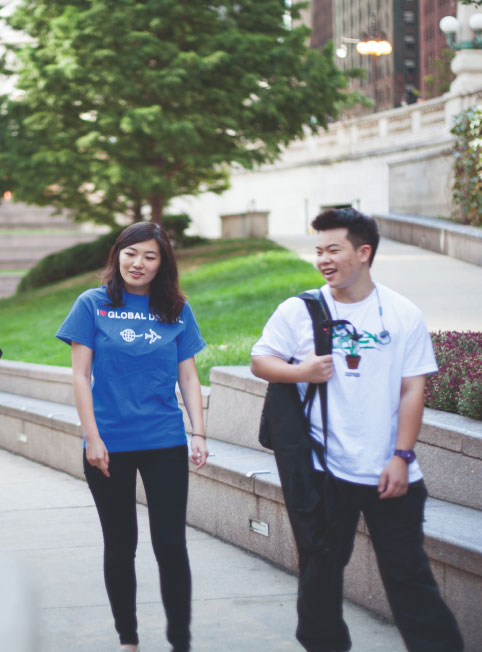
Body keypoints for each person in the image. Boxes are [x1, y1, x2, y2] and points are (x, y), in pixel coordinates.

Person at [251, 208, 464, 652]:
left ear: (363, 252)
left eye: (334, 249)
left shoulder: (401, 313)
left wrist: (402, 457)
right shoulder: (301, 310)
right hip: (323, 470)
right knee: (319, 574)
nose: (323, 259)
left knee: (409, 577)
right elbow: (261, 361)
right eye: (319, 251)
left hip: (391, 470)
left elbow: (412, 390)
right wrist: (302, 371)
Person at [57, 222, 208, 652]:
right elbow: (81, 377)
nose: (138, 263)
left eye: (149, 256)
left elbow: (188, 374)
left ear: (163, 264)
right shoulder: (93, 304)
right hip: (109, 444)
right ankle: (129, 639)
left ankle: (180, 641)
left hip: (164, 440)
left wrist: (198, 431)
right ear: (117, 254)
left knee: (170, 545)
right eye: (130, 253)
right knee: (121, 544)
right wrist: (92, 438)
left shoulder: (176, 308)